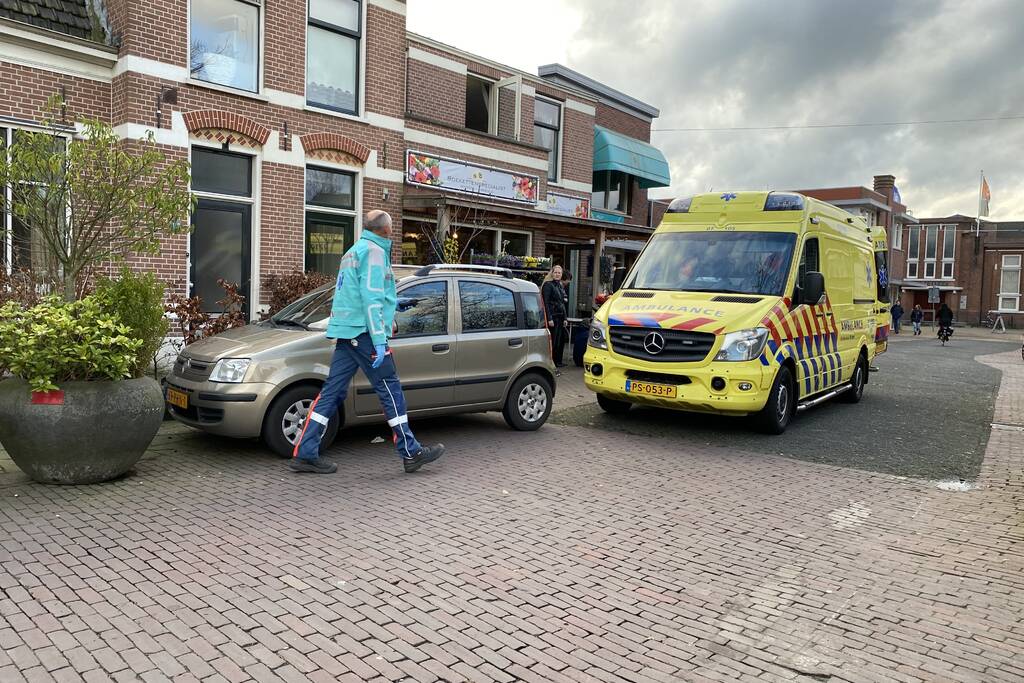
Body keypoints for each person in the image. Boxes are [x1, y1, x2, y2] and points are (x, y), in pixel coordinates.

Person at [289, 210, 445, 474]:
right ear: (385, 230)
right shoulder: (374, 252)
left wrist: (393, 303)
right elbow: (371, 298)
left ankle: (305, 452)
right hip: (365, 335)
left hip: (348, 332)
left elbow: (356, 293)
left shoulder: (354, 251)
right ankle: (411, 452)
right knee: (391, 390)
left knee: (331, 392)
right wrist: (380, 340)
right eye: (392, 227)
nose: (393, 231)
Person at [542, 265, 568, 369]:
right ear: (552, 273)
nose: (557, 274)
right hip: (553, 317)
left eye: (559, 273)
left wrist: (565, 318)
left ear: (561, 275)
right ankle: (550, 364)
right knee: (553, 342)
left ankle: (557, 363)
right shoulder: (548, 285)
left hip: (560, 317)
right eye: (556, 272)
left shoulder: (560, 285)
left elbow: (562, 303)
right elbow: (546, 303)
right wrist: (549, 318)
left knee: (559, 342)